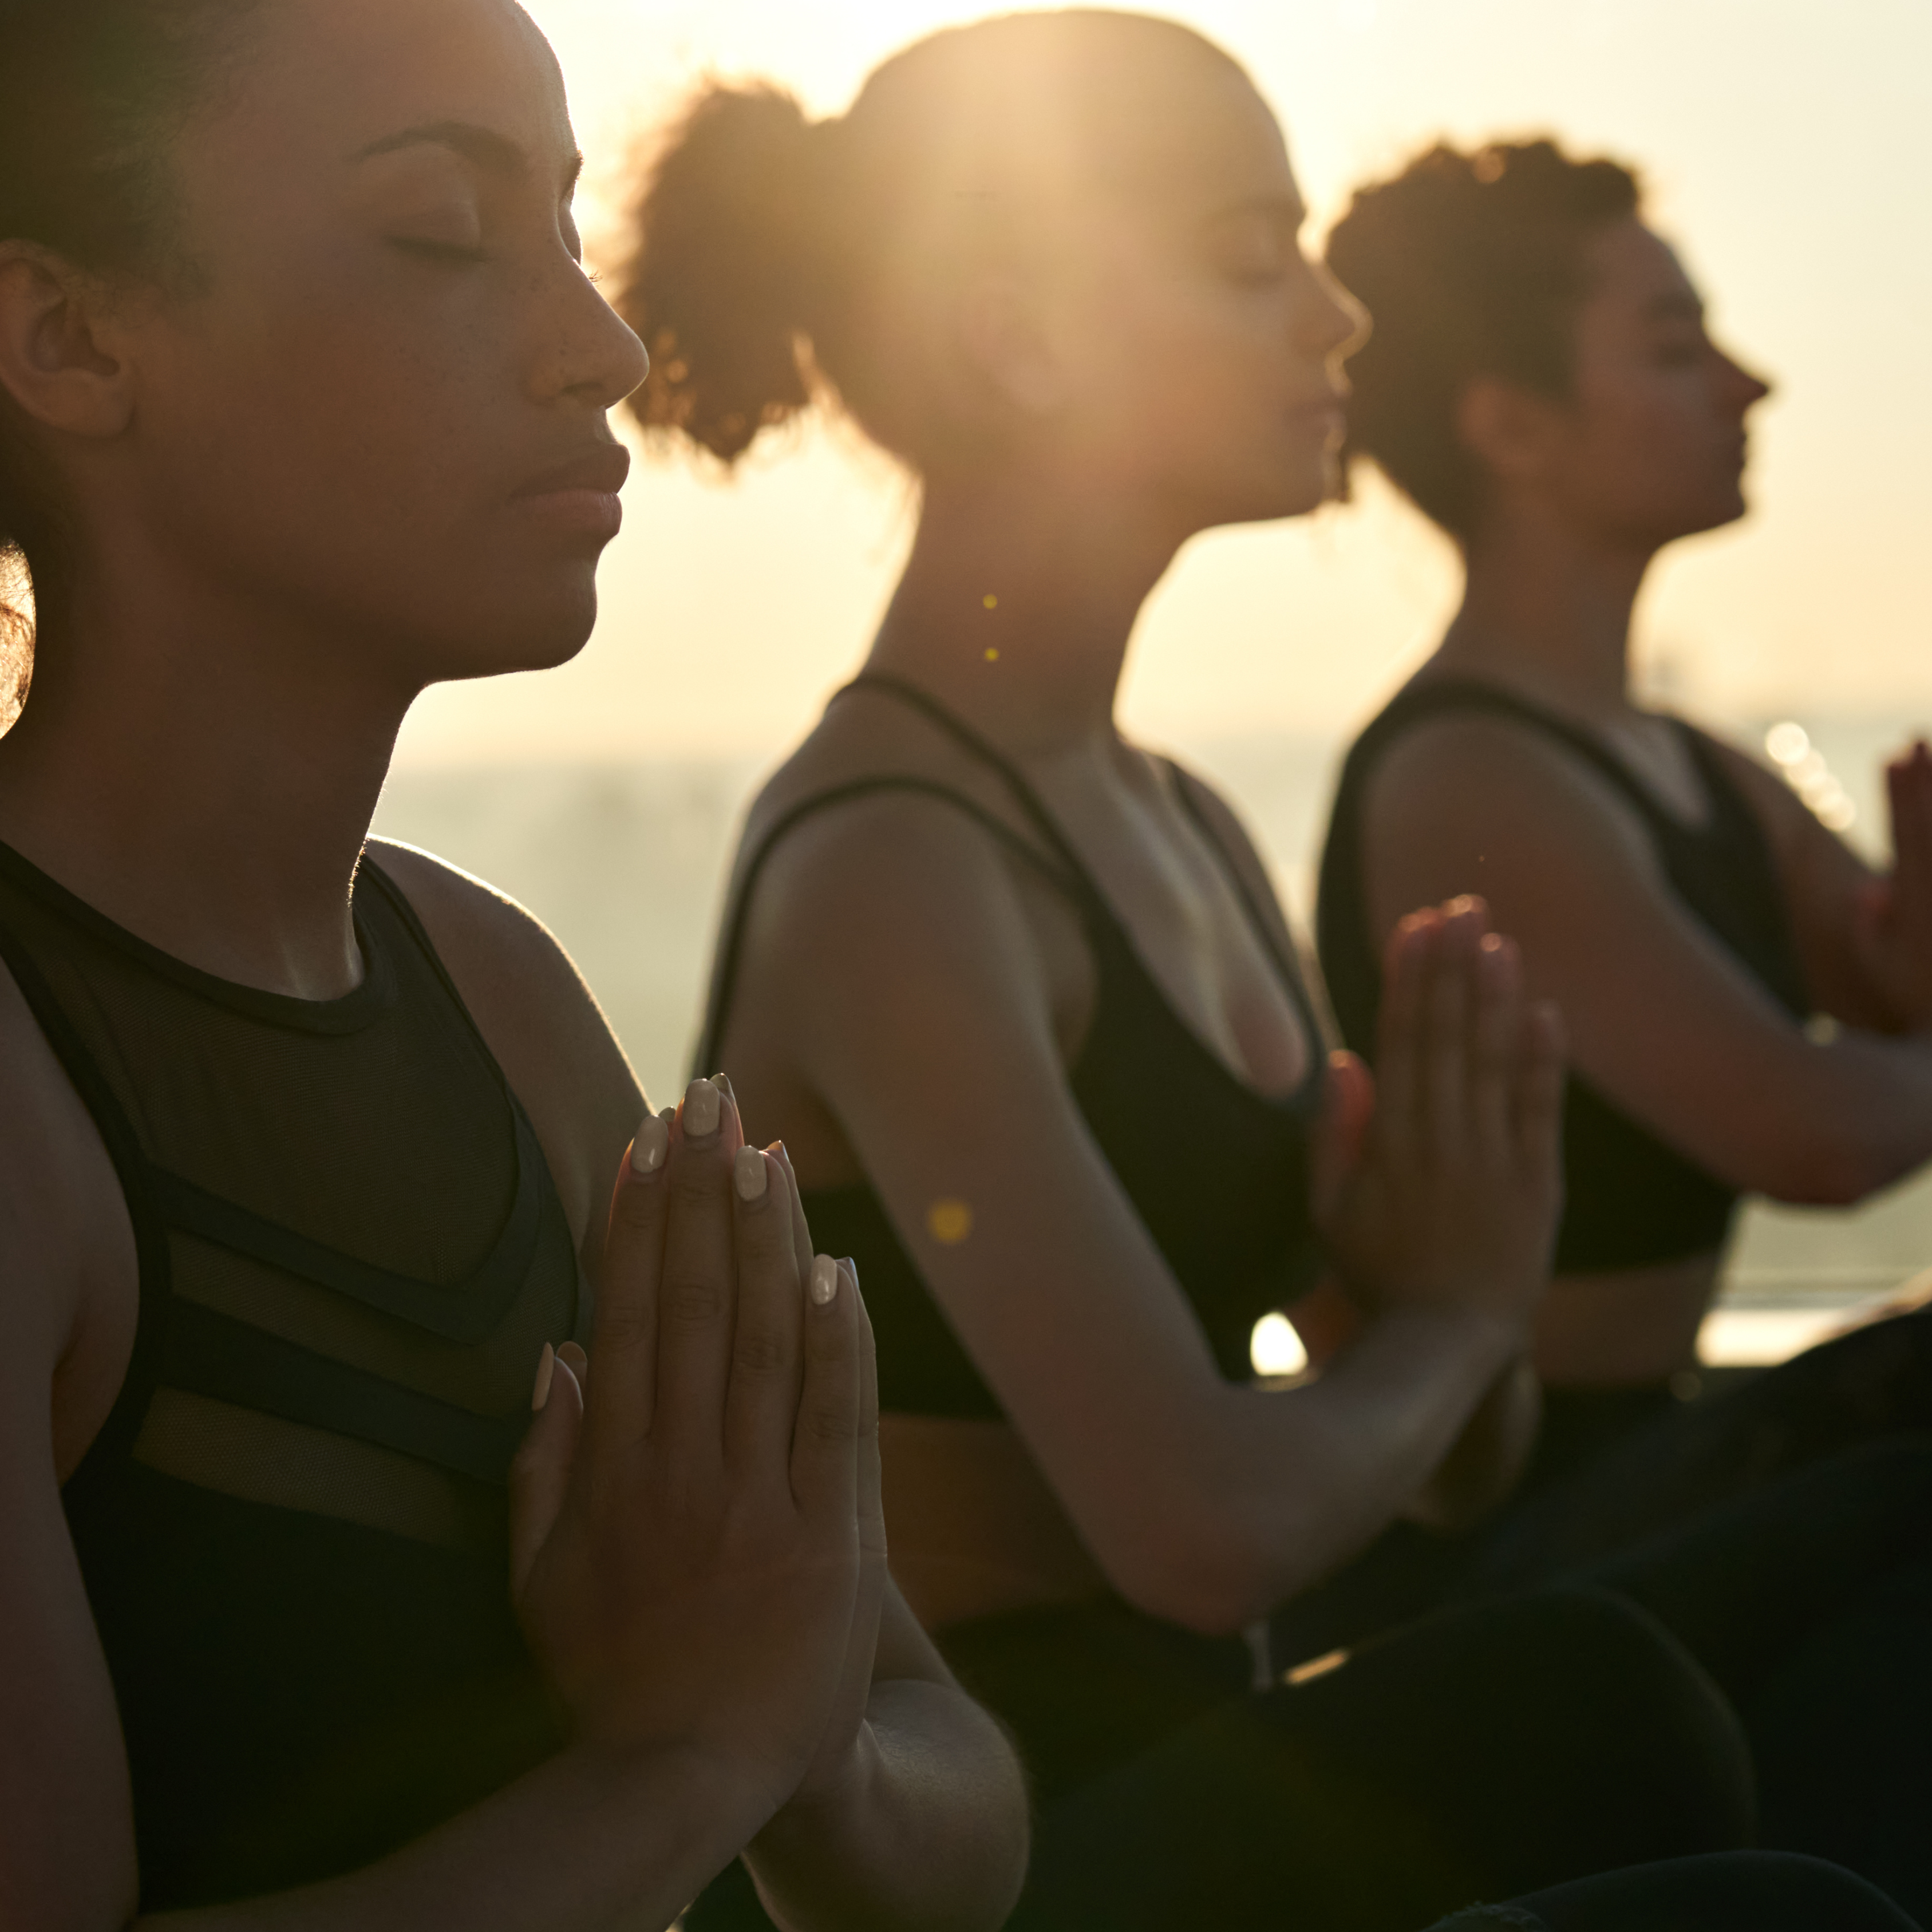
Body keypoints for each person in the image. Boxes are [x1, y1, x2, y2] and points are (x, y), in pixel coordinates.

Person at [617, 13, 1932, 1927]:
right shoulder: (895, 862)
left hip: (1204, 1755)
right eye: (1254, 259)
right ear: (1019, 334)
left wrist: (1431, 1282)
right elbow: (1204, 1527)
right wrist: (1465, 1314)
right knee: (1651, 1749)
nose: (1334, 322)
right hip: (992, 1845)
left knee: (1629, 1702)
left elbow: (1442, 1474)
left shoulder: (1177, 819)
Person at [0, 1, 1032, 1925]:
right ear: (70, 336)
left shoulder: (495, 987)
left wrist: (783, 1723)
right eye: (439, 236)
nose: (602, 347)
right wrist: (692, 1757)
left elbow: (948, 1787)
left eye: (565, 230)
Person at [1314, 139, 1932, 1563]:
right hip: (1521, 1517)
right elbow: (1818, 1130)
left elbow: (1895, 1015)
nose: (1746, 382)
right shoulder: (1469, 779)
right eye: (1673, 348)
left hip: (1666, 1456)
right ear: (1510, 427)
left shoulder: (1689, 761)